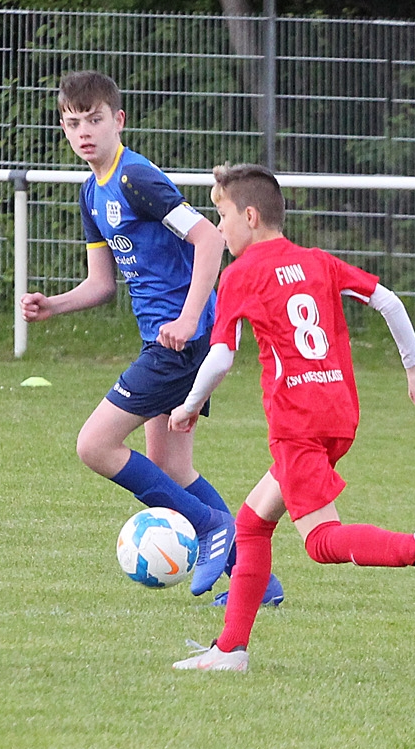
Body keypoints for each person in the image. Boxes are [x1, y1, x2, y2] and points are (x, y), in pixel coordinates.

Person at [167, 163, 415, 672]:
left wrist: (189, 405)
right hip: (338, 414)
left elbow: (220, 357)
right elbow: (388, 301)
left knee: (320, 541)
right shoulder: (316, 261)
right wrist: (414, 366)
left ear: (249, 216)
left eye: (222, 217)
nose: (219, 229)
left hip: (296, 422)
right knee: (252, 524)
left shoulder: (240, 274)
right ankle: (230, 650)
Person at [20, 72, 280, 602]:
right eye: (73, 123)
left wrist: (187, 319)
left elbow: (208, 238)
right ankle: (258, 584)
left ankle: (209, 526)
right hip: (166, 341)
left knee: (95, 445)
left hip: (183, 341)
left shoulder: (136, 177)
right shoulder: (91, 193)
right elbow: (101, 284)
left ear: (118, 120)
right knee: (171, 468)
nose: (84, 131)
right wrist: (55, 305)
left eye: (95, 119)